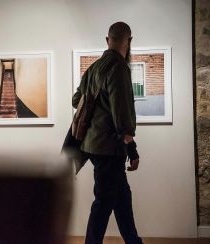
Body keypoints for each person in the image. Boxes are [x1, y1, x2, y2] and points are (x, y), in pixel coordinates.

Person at [72, 22, 143, 244]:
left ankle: (134, 241)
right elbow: (122, 114)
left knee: (121, 198)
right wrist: (132, 148)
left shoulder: (94, 68)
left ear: (107, 40)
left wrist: (95, 102)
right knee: (103, 202)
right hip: (110, 148)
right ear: (129, 41)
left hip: (92, 146)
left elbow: (76, 100)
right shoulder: (119, 67)